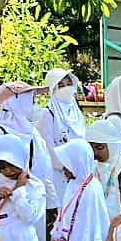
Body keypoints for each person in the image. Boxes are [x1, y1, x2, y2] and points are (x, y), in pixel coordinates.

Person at [0, 81, 57, 241]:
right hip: (8, 210)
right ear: (17, 101)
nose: (34, 105)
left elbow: (44, 170)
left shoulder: (32, 133)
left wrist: (52, 204)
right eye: (31, 100)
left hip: (32, 207)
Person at [38, 68, 88, 198]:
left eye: (68, 84)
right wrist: (64, 167)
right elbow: (48, 146)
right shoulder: (49, 113)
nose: (66, 88)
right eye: (60, 85)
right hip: (60, 173)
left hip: (80, 168)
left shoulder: (75, 110)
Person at [84, 118, 121, 217]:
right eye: (91, 148)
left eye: (100, 148)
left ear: (111, 146)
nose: (95, 152)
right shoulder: (90, 168)